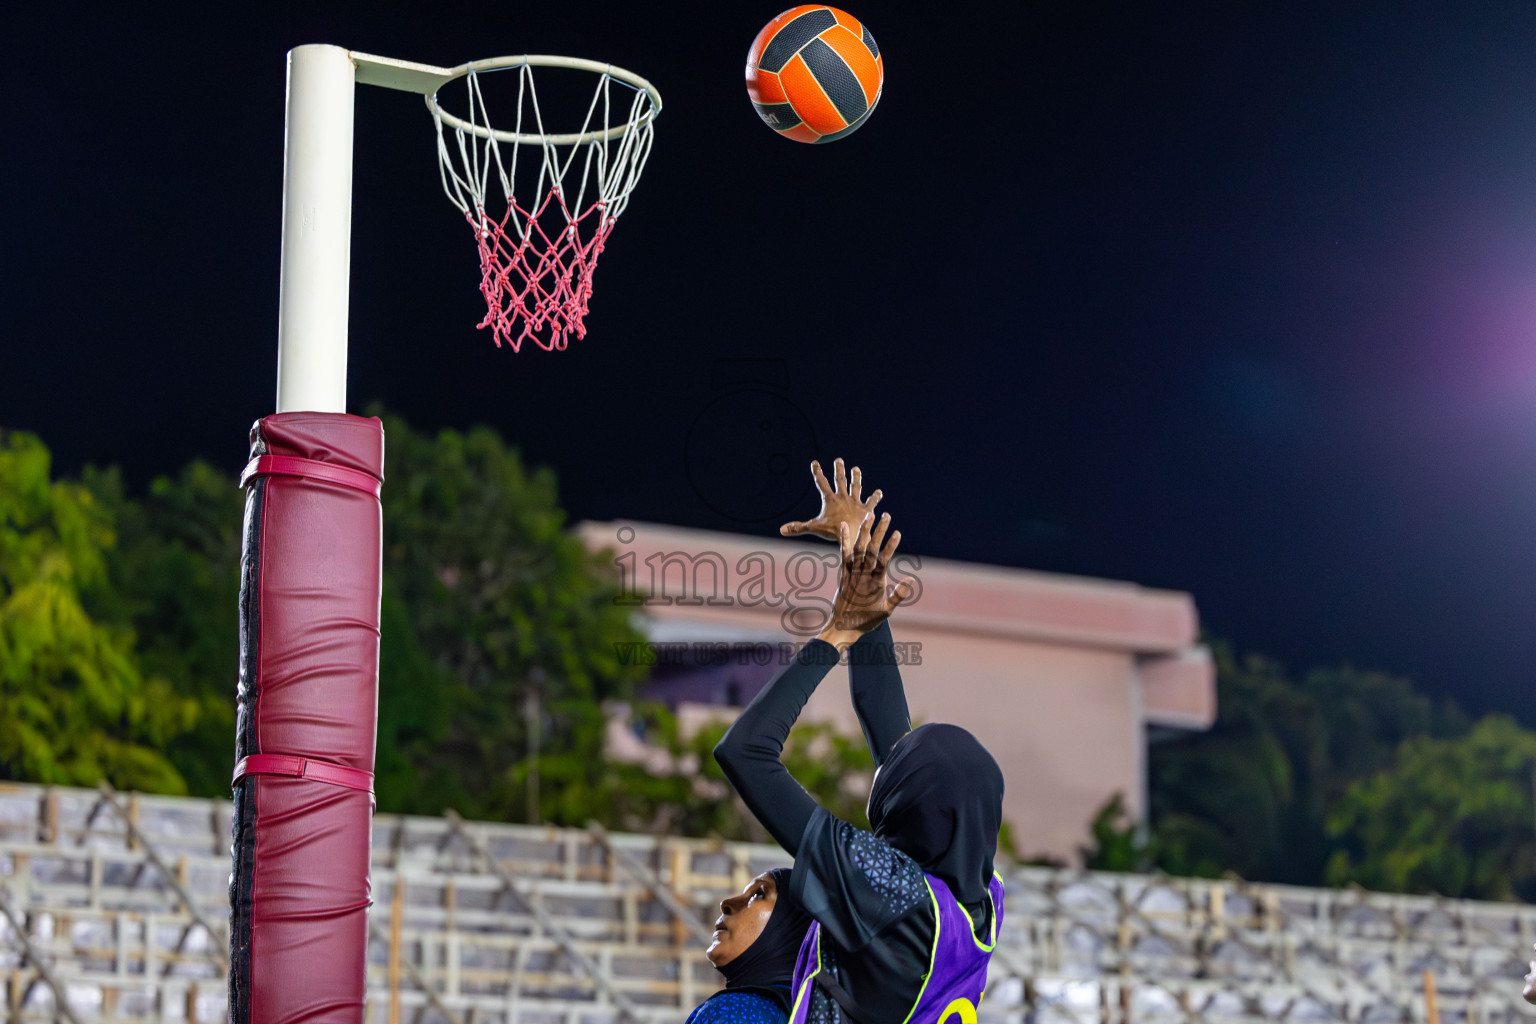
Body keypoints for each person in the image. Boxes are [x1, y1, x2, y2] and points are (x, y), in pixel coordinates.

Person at [715, 460, 1006, 1024]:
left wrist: (836, 632)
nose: (887, 765)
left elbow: (744, 751)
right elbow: (884, 719)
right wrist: (862, 574)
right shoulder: (977, 899)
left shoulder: (895, 894)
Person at [688, 867, 813, 1023]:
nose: (726, 903)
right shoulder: (805, 1014)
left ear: (790, 924)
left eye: (758, 894)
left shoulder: (733, 1012)